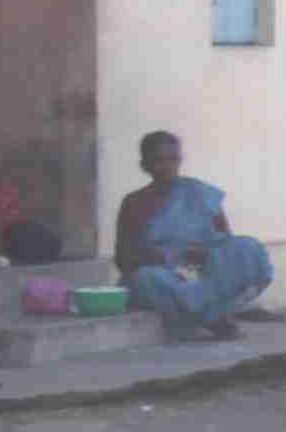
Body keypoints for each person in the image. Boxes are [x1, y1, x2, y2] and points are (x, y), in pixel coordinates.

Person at [108, 129, 275, 341]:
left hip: (203, 272)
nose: (168, 167)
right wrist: (157, 257)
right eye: (159, 160)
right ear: (144, 166)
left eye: (173, 159)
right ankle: (214, 315)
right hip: (166, 275)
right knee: (145, 278)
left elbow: (226, 241)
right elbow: (122, 258)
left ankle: (210, 310)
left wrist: (205, 254)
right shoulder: (134, 202)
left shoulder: (200, 193)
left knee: (248, 247)